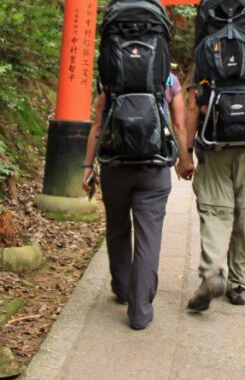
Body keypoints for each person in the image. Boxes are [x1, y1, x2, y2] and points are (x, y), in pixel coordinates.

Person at [83, 71, 187, 330]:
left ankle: (121, 288)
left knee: (117, 228)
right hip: (153, 168)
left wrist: (87, 165)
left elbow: (97, 126)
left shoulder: (112, 79)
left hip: (115, 166)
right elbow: (180, 126)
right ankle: (140, 310)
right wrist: (185, 159)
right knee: (148, 236)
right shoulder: (168, 80)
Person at [182, 53, 245, 311]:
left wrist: (186, 153)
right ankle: (238, 284)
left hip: (214, 145)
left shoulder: (204, 57)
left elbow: (193, 107)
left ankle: (213, 272)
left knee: (215, 212)